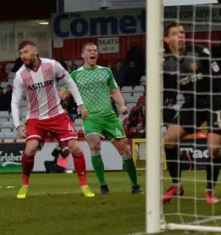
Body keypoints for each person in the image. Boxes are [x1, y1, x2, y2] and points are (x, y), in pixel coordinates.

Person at [11, 40, 95, 199]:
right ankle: (24, 185)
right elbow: (15, 101)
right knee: (31, 148)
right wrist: (18, 125)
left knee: (75, 148)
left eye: (26, 52)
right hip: (35, 118)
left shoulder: (52, 65)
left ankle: (84, 186)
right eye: (21, 53)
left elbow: (69, 81)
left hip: (57, 114)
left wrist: (81, 104)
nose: (23, 56)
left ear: (35, 50)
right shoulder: (20, 76)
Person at [162, 22, 221, 204]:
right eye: (176, 34)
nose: (181, 36)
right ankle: (177, 186)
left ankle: (210, 190)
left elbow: (218, 78)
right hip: (192, 104)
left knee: (213, 147)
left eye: (182, 33)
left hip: (214, 102)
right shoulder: (167, 64)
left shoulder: (201, 53)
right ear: (167, 39)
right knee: (169, 140)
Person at [60, 43, 141, 195]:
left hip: (109, 116)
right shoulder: (76, 75)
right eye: (90, 51)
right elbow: (62, 95)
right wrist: (62, 108)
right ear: (83, 55)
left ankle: (135, 185)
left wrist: (122, 105)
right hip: (90, 118)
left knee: (125, 150)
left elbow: (114, 91)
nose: (93, 53)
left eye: (95, 51)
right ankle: (103, 186)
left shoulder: (106, 71)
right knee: (95, 145)